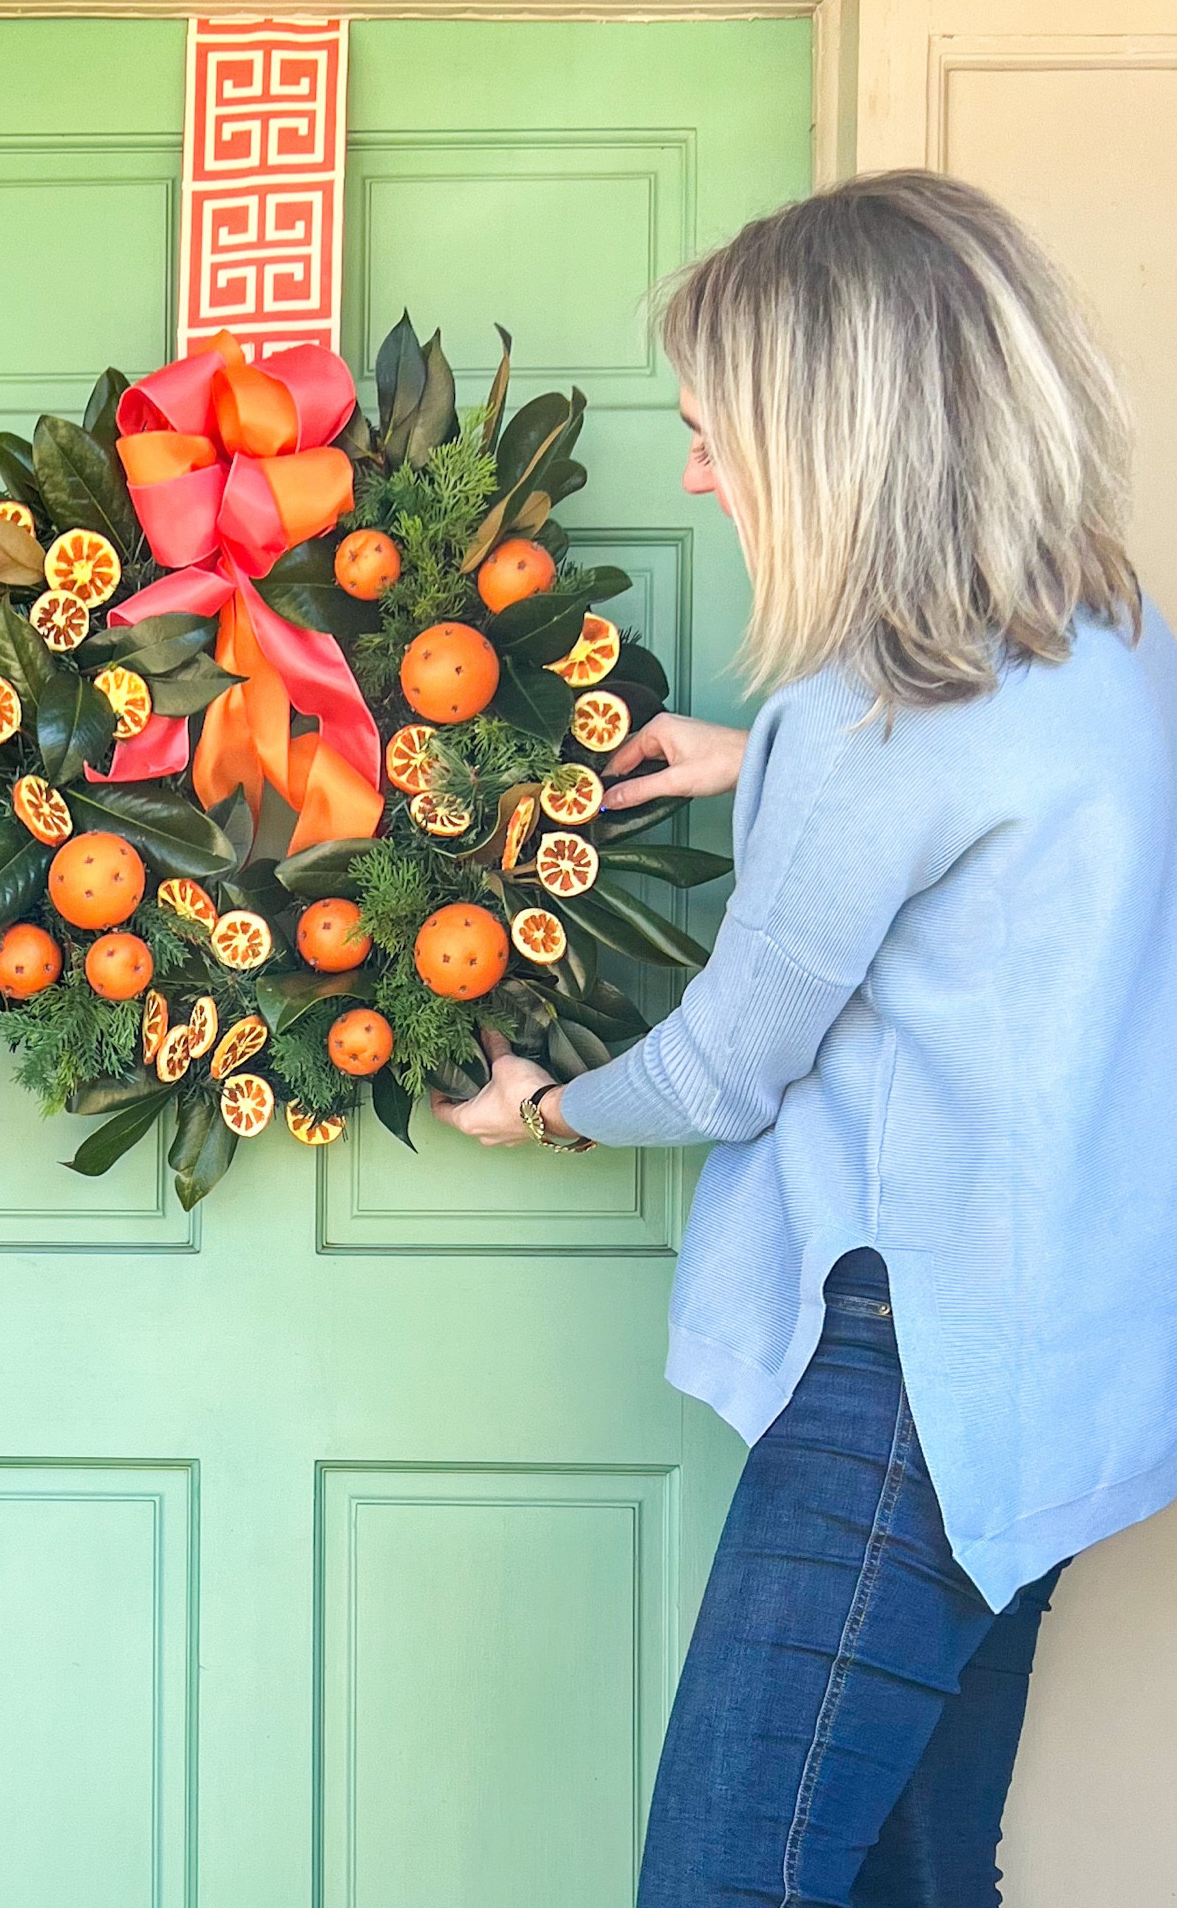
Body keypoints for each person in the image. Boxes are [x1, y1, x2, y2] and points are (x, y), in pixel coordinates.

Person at [433, 170, 1177, 1906]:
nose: (697, 470)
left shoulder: (872, 714)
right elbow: (999, 882)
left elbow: (722, 1065)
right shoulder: (1108, 646)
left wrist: (545, 1106)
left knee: (727, 1881)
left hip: (909, 1386)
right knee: (923, 1877)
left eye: (718, 428)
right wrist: (754, 759)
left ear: (841, 433)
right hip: (1051, 1367)